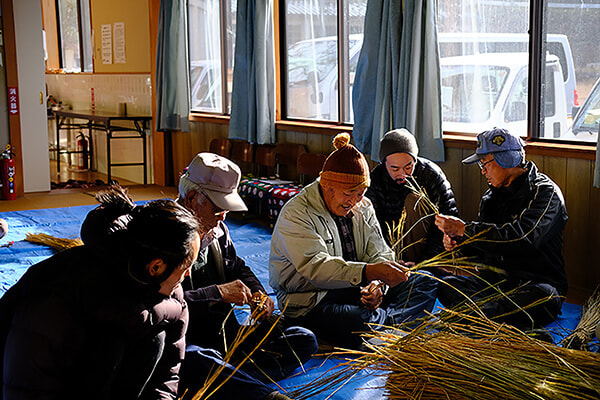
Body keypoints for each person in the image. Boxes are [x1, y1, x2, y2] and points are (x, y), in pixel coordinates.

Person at [0, 185, 201, 400]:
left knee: (156, 339)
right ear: (156, 267)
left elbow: (167, 376)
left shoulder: (171, 296)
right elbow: (26, 385)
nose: (189, 274)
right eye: (185, 266)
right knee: (110, 344)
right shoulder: (61, 289)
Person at [269, 133, 438, 349]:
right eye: (350, 193)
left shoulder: (362, 205)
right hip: (311, 299)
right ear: (327, 187)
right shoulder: (297, 213)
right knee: (356, 320)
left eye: (361, 193)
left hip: (356, 288)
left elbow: (380, 253)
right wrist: (369, 273)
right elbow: (316, 268)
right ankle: (392, 325)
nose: (355, 201)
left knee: (425, 281)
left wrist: (377, 286)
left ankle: (382, 328)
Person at [176, 153, 317, 400]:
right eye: (218, 208)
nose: (223, 216)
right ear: (191, 199)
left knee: (304, 339)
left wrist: (257, 292)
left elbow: (237, 266)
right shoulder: (164, 236)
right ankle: (249, 390)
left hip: (225, 338)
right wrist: (216, 293)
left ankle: (229, 383)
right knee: (196, 361)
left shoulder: (216, 229)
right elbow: (161, 306)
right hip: (188, 343)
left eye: (226, 209)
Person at [435, 128, 568, 331]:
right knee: (446, 285)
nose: (482, 171)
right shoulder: (490, 198)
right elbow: (483, 253)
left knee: (546, 297)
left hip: (533, 286)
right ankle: (489, 319)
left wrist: (466, 230)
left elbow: (522, 238)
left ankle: (473, 318)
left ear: (507, 159)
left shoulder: (546, 194)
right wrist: (459, 243)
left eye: (484, 163)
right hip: (496, 286)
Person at [366, 128, 459, 265]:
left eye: (408, 167)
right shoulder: (375, 180)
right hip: (389, 252)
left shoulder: (431, 175)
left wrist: (423, 262)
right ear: (384, 164)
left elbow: (448, 222)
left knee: (415, 200)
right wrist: (390, 260)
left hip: (427, 250)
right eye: (395, 169)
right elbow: (374, 229)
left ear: (415, 161)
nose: (403, 174)